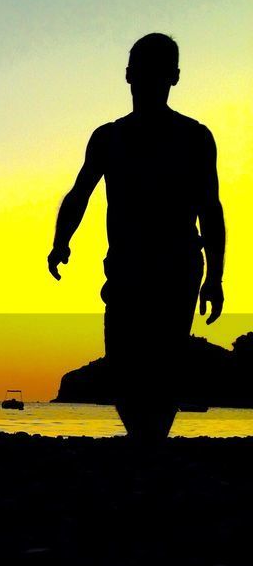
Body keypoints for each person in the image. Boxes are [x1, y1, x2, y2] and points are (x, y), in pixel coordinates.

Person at [47, 33, 225, 440]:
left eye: (159, 71)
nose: (149, 78)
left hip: (177, 268)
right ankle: (144, 439)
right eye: (143, 70)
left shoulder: (195, 137)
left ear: (175, 77)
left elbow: (210, 208)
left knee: (165, 361)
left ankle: (151, 443)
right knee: (124, 362)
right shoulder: (109, 138)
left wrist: (215, 276)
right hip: (126, 270)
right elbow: (80, 193)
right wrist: (61, 240)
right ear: (128, 75)